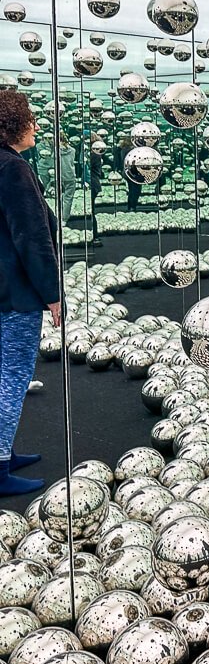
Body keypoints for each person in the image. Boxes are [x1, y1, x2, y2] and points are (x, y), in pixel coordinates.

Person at [0, 89, 61, 496]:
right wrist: (52, 293)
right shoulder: (13, 169)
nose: (36, 125)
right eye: (31, 119)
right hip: (16, 292)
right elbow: (32, 236)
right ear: (13, 126)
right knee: (12, 376)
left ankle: (4, 450)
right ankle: (0, 465)